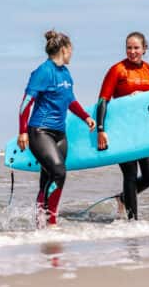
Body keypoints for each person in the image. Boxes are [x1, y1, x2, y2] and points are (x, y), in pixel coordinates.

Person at [18, 29, 95, 227]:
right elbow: (26, 102)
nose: (72, 53)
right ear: (64, 49)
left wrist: (86, 117)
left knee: (49, 176)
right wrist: (23, 132)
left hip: (60, 133)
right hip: (40, 131)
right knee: (59, 172)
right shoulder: (43, 71)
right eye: (71, 49)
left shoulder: (66, 73)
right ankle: (50, 222)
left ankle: (41, 222)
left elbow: (69, 100)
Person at [96, 32, 149, 220]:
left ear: (144, 49)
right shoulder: (117, 70)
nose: (132, 52)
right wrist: (101, 130)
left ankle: (123, 198)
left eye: (136, 48)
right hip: (122, 130)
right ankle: (133, 221)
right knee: (131, 174)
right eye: (129, 48)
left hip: (145, 131)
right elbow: (103, 101)